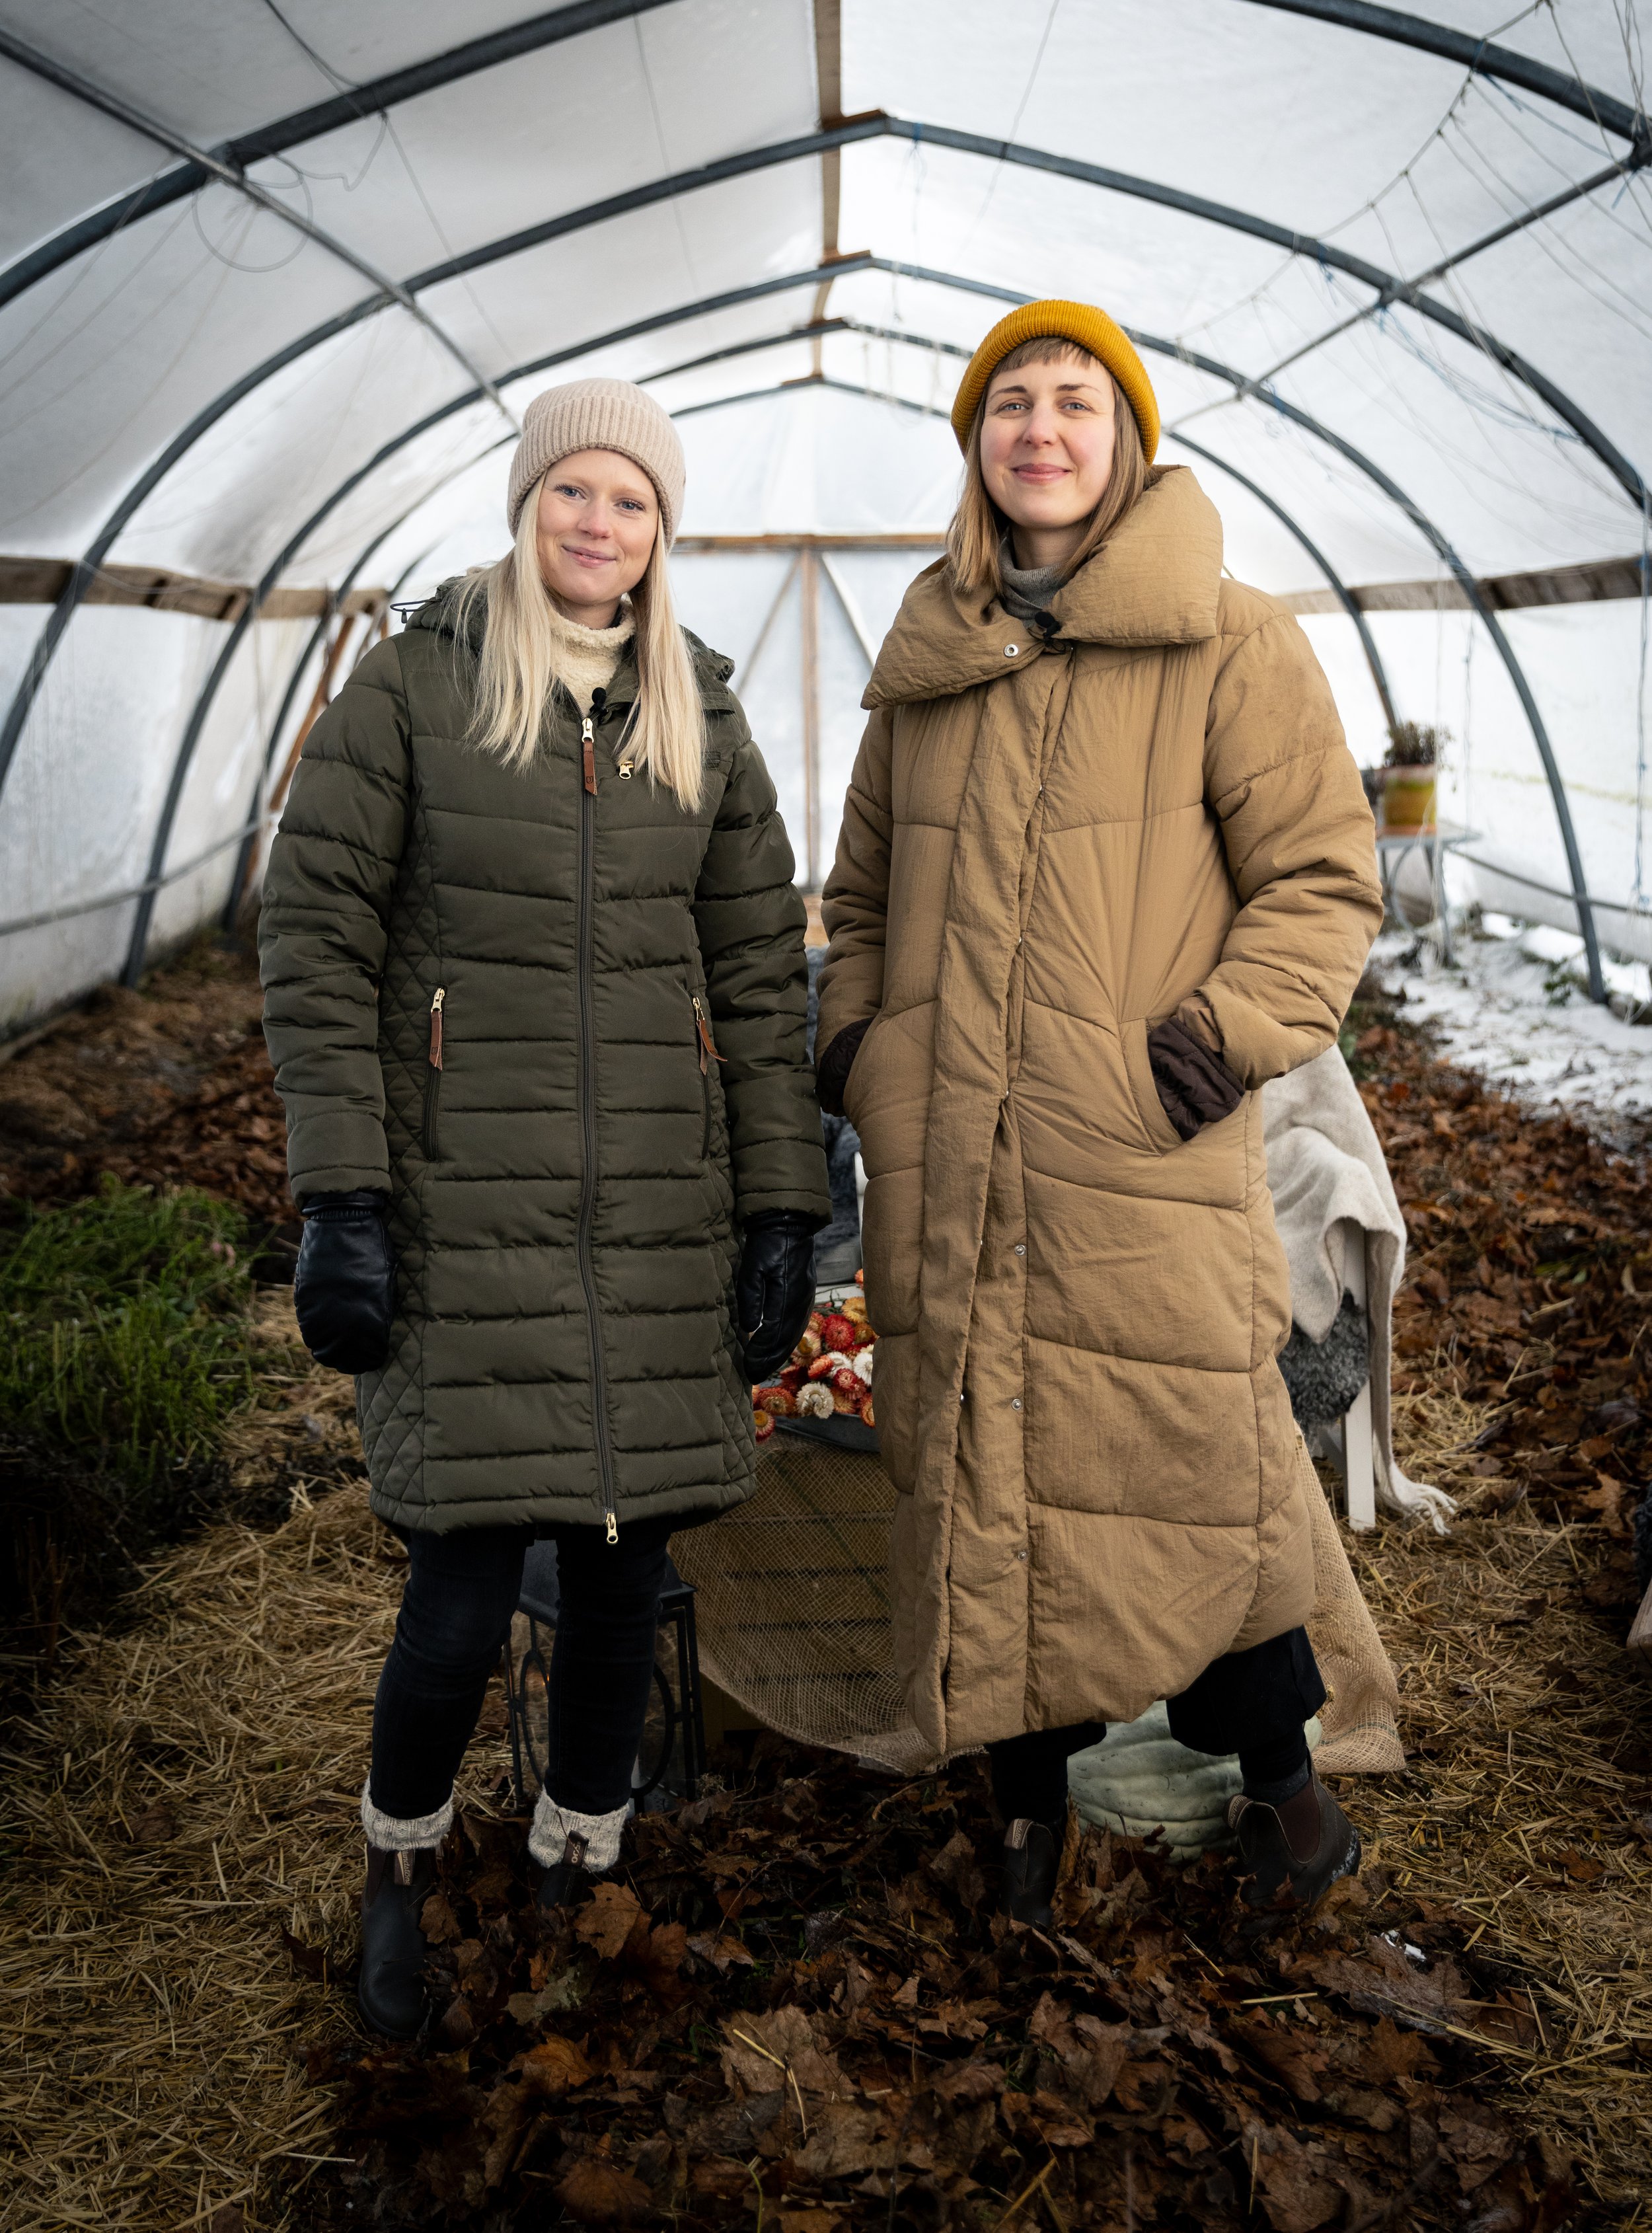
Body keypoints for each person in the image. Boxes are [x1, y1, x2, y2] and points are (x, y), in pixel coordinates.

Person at [260, 380, 829, 2039]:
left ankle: (583, 1852)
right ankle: (402, 1862)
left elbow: (753, 964)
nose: (600, 526)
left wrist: (780, 1205)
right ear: (526, 510)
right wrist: (343, 1195)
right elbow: (317, 939)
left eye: (630, 503)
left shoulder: (696, 712)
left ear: (663, 531)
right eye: (572, 493)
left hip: (656, 1204)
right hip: (464, 1206)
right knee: (459, 1576)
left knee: (620, 1569)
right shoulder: (418, 685)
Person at [815, 301, 1384, 1932]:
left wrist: (1213, 1041)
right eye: (1009, 405)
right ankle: (1024, 1819)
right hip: (951, 1169)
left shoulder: (1228, 635)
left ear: (1122, 435)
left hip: (1134, 1151)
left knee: (1190, 1482)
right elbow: (859, 897)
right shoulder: (929, 655)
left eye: (1072, 401)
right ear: (975, 446)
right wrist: (860, 1045)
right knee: (985, 1492)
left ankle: (1286, 1799)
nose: (1038, 430)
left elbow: (1320, 881)